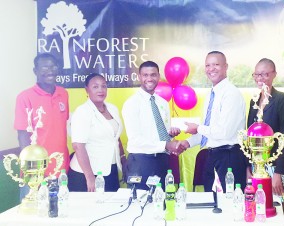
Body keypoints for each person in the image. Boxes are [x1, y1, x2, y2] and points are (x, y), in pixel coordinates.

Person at [177, 51, 249, 192]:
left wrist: (198, 128)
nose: (211, 69)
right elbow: (207, 129)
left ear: (226, 66)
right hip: (212, 156)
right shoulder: (211, 94)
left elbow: (224, 132)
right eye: (208, 65)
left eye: (216, 64)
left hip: (229, 157)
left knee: (230, 204)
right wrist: (187, 143)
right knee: (212, 202)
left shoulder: (231, 94)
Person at [248, 58, 284, 226]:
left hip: (278, 166)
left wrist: (278, 173)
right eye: (256, 74)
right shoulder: (253, 101)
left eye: (264, 74)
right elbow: (249, 136)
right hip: (258, 167)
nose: (259, 78)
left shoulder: (282, 99)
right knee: (262, 211)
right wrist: (249, 167)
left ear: (274, 75)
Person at [14, 53, 69, 200]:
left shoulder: (63, 94)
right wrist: (33, 170)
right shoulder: (24, 97)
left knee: (59, 214)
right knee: (32, 217)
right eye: (45, 67)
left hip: (61, 169)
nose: (50, 70)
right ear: (35, 71)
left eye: (53, 66)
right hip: (35, 172)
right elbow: (23, 135)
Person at [122, 61, 184, 190]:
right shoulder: (132, 104)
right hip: (141, 163)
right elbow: (135, 139)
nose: (149, 79)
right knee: (141, 203)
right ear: (139, 76)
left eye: (153, 75)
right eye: (145, 75)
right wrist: (167, 145)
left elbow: (162, 134)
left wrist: (171, 136)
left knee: (163, 202)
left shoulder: (163, 103)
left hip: (162, 160)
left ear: (158, 76)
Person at [68, 73, 126, 192]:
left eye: (103, 86)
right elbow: (78, 146)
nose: (100, 90)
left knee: (112, 209)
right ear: (87, 89)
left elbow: (115, 137)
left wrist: (122, 158)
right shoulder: (82, 111)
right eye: (95, 87)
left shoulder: (112, 108)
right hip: (86, 174)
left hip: (111, 169)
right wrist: (89, 178)